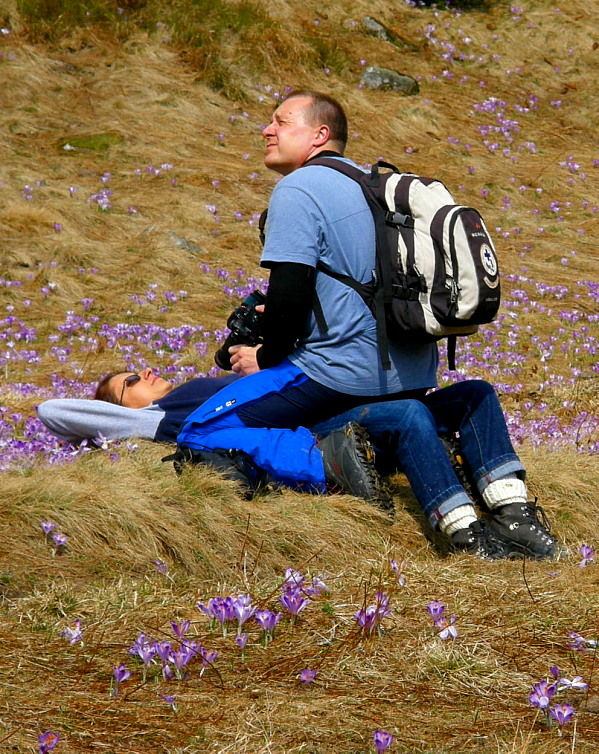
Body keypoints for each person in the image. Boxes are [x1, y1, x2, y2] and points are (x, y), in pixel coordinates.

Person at [168, 89, 558, 561]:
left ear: (320, 134)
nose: (267, 130)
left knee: (201, 430)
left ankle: (329, 459)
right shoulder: (377, 185)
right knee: (467, 396)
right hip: (409, 371)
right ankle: (515, 516)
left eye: (282, 121)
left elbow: (289, 294)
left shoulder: (299, 188)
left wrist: (264, 358)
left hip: (340, 374)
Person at [37, 368, 387, 506]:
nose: (145, 371)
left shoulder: (181, 398)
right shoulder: (149, 420)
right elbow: (51, 410)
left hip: (301, 397)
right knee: (402, 416)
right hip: (312, 415)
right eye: (131, 381)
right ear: (117, 414)